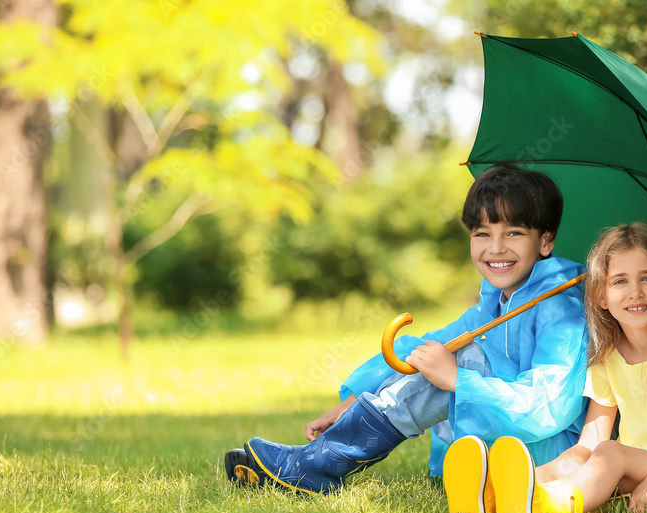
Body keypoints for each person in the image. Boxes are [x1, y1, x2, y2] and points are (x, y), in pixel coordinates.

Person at [224, 164, 589, 495]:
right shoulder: (496, 300)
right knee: (439, 352)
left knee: (463, 359)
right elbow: (428, 346)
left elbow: (550, 406)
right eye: (482, 233)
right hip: (493, 447)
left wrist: (458, 380)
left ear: (545, 240)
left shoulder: (562, 309)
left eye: (513, 233)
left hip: (544, 452)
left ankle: (318, 466)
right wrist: (356, 402)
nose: (495, 248)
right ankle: (320, 455)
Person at [443, 222, 647, 513]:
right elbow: (589, 444)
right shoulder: (609, 356)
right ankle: (501, 491)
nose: (635, 292)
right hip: (638, 466)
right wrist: (548, 470)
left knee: (610, 453)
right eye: (619, 281)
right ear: (601, 296)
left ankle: (556, 509)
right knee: (588, 454)